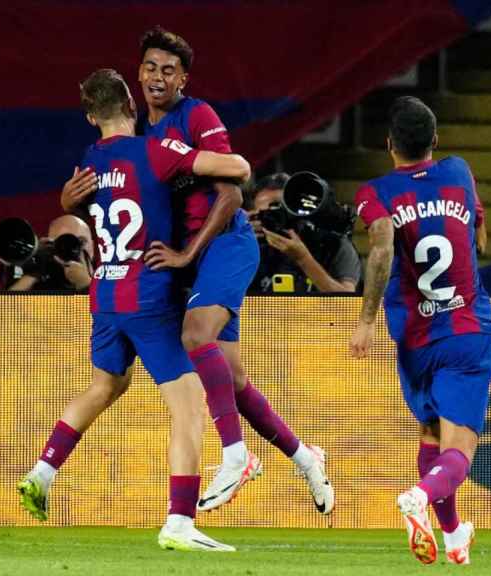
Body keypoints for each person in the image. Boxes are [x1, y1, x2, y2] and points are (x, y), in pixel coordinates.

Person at [61, 26, 333, 515]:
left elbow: (232, 189)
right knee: (232, 378)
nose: (157, 77)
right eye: (149, 67)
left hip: (225, 245)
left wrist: (187, 257)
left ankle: (235, 455)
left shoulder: (197, 115)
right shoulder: (140, 137)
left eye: (169, 69)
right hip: (190, 256)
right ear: (137, 75)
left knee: (193, 334)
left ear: (183, 79)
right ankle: (304, 456)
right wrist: (69, 198)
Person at [19, 68, 251, 551]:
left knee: (107, 383)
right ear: (130, 101)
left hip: (104, 296)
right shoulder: (155, 150)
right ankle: (180, 521)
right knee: (188, 406)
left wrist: (66, 196)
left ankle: (42, 472)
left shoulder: (87, 164)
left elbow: (82, 201)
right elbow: (234, 169)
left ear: (89, 116)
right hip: (146, 295)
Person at [350, 96, 491, 566]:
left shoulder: (374, 193)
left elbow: (381, 249)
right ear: (434, 140)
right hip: (465, 333)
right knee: (460, 450)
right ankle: (419, 497)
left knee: (431, 432)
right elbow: (479, 234)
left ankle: (453, 535)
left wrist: (367, 321)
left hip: (415, 338)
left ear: (388, 143)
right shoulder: (458, 173)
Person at [249, 172, 361, 293]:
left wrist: (303, 259)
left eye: (279, 210)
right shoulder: (250, 245)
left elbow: (346, 304)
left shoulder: (332, 244)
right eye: (265, 214)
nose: (274, 218)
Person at [4, 214, 94, 292]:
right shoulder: (40, 281)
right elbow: (5, 309)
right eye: (64, 242)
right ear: (51, 246)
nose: (73, 247)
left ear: (93, 247)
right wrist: (34, 273)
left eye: (81, 242)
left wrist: (85, 284)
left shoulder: (107, 278)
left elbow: (105, 309)